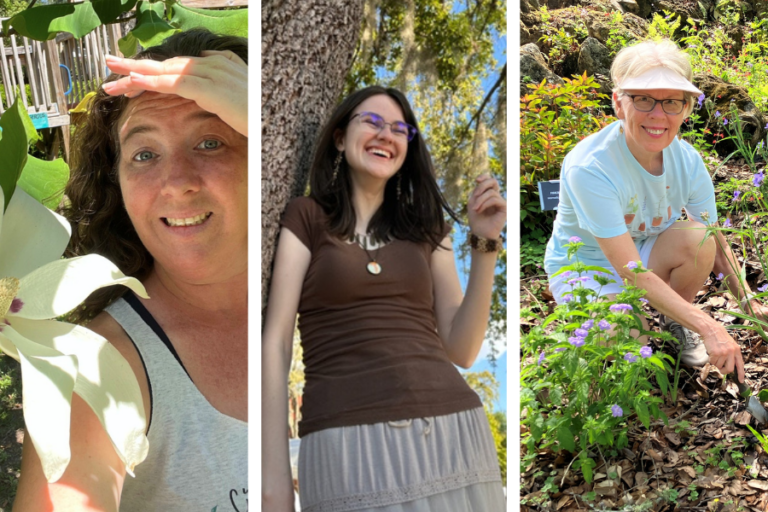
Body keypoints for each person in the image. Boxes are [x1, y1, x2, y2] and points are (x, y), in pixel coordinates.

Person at [12, 29, 248, 511]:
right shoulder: (96, 363)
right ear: (116, 185)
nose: (177, 183)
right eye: (144, 154)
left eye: (210, 142)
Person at [262, 86, 507, 512]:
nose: (385, 135)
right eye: (371, 123)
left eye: (398, 129)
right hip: (345, 442)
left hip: (451, 436)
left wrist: (485, 245)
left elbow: (462, 349)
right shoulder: (306, 217)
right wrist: (273, 481)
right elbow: (277, 343)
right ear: (340, 137)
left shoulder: (428, 228)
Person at [543, 39, 766, 383]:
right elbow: (630, 270)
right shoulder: (591, 167)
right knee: (633, 343)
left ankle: (675, 318)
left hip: (643, 250)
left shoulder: (687, 161)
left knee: (699, 238)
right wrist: (709, 325)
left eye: (672, 102)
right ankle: (645, 322)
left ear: (688, 108)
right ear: (619, 103)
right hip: (588, 267)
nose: (658, 114)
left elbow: (715, 237)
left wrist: (748, 301)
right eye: (643, 99)